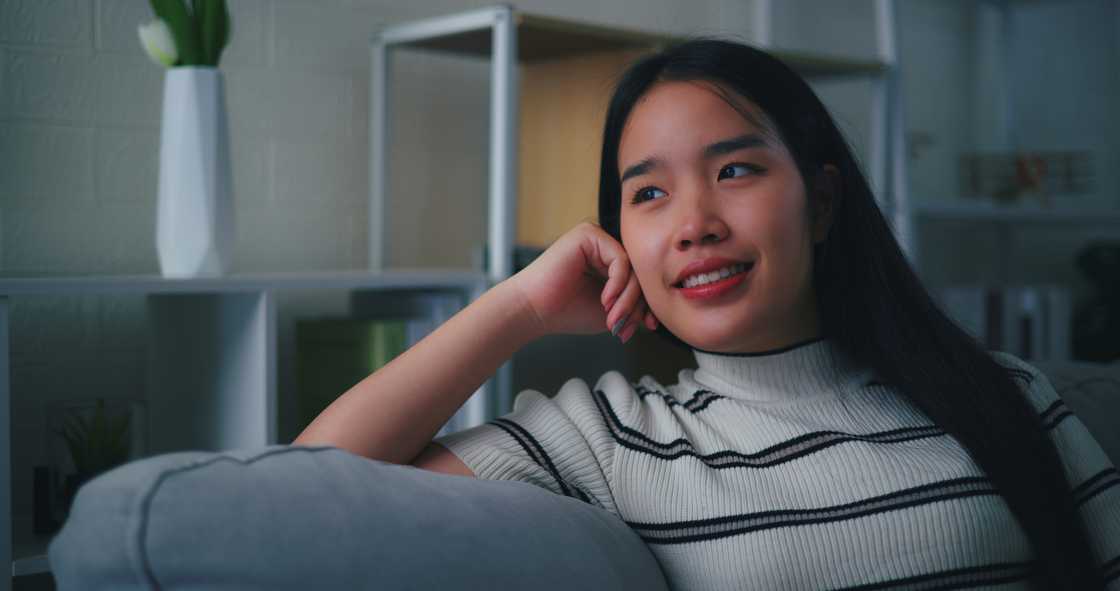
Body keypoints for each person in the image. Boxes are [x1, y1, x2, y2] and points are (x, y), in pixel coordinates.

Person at [294, 39, 1119, 589]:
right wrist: (518, 305)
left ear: (822, 200)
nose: (693, 223)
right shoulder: (611, 439)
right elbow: (303, 495)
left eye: (735, 170)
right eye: (648, 193)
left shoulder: (1004, 392)